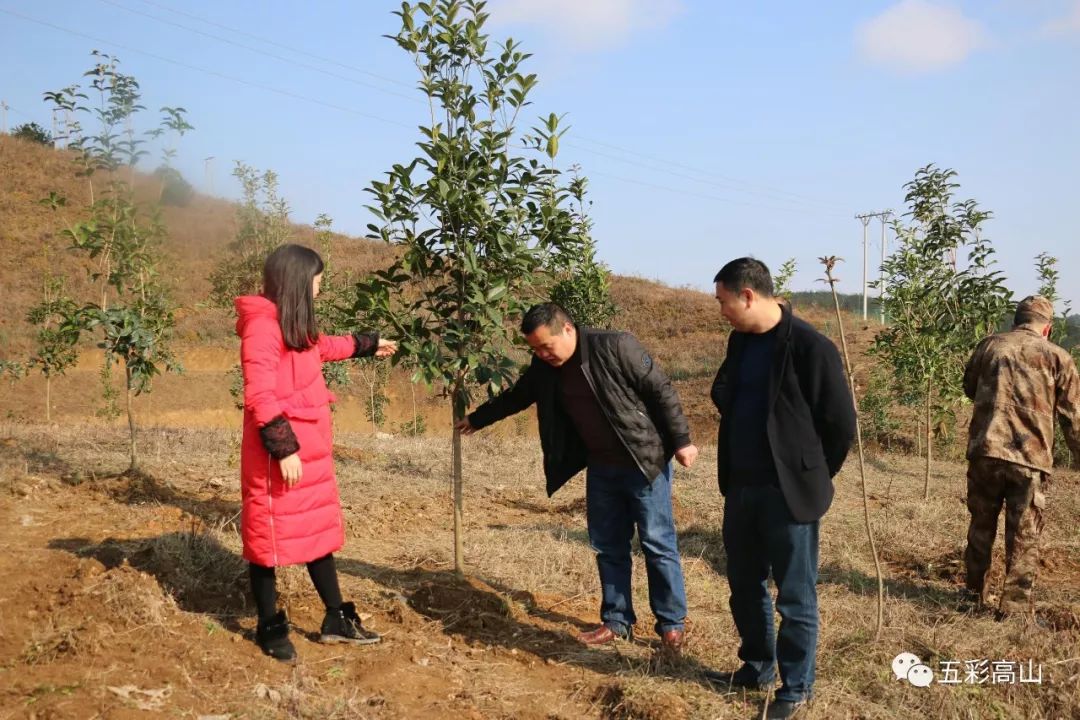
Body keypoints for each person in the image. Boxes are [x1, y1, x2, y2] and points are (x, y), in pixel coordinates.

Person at [455, 303, 698, 653]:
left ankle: (671, 627)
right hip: (601, 468)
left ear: (568, 329)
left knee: (657, 545)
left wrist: (682, 441)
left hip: (644, 461)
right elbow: (519, 396)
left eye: (546, 346)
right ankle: (616, 621)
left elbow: (661, 390)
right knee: (608, 546)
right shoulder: (545, 366)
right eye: (535, 349)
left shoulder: (616, 346)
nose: (541, 354)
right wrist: (478, 419)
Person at [707, 258, 855, 720]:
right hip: (743, 486)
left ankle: (796, 686)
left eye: (724, 301)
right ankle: (756, 666)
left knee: (794, 594)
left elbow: (840, 424)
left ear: (748, 295)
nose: (722, 311)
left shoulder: (811, 347)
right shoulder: (740, 342)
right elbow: (725, 392)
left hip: (789, 494)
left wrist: (810, 472)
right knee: (743, 585)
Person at [236, 244, 397, 661]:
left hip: (311, 451)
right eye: (316, 278)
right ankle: (270, 627)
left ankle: (336, 619)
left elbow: (322, 347)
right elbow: (259, 395)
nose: (320, 285)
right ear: (296, 281)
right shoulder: (261, 327)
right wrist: (284, 449)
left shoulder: (292, 323)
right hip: (280, 454)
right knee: (266, 537)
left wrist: (367, 343)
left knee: (317, 531)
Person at [962, 294, 1080, 617]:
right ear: (1047, 329)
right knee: (1025, 539)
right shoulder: (1059, 358)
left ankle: (972, 598)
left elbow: (970, 387)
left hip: (986, 452)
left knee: (981, 527)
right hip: (1030, 461)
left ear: (1016, 321)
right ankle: (1013, 610)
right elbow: (1074, 420)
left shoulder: (990, 346)